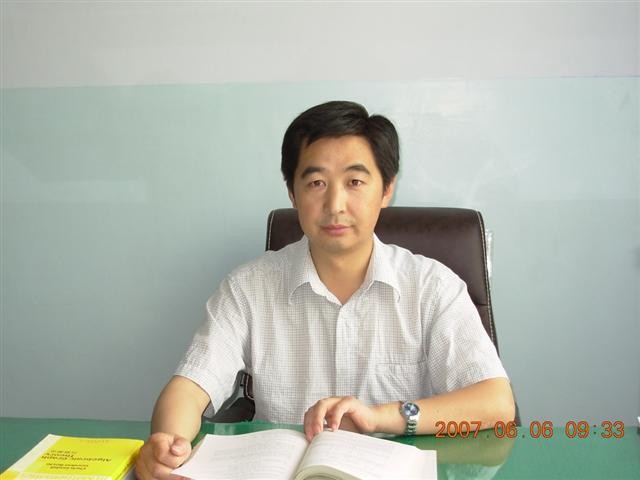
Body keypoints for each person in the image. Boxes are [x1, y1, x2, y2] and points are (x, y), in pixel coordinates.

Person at [135, 101, 515, 480]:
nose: (335, 205)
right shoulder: (247, 288)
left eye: (354, 182)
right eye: (316, 183)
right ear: (292, 192)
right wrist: (168, 444)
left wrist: (381, 417)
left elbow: (497, 403)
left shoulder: (432, 287)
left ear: (386, 188)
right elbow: (189, 387)